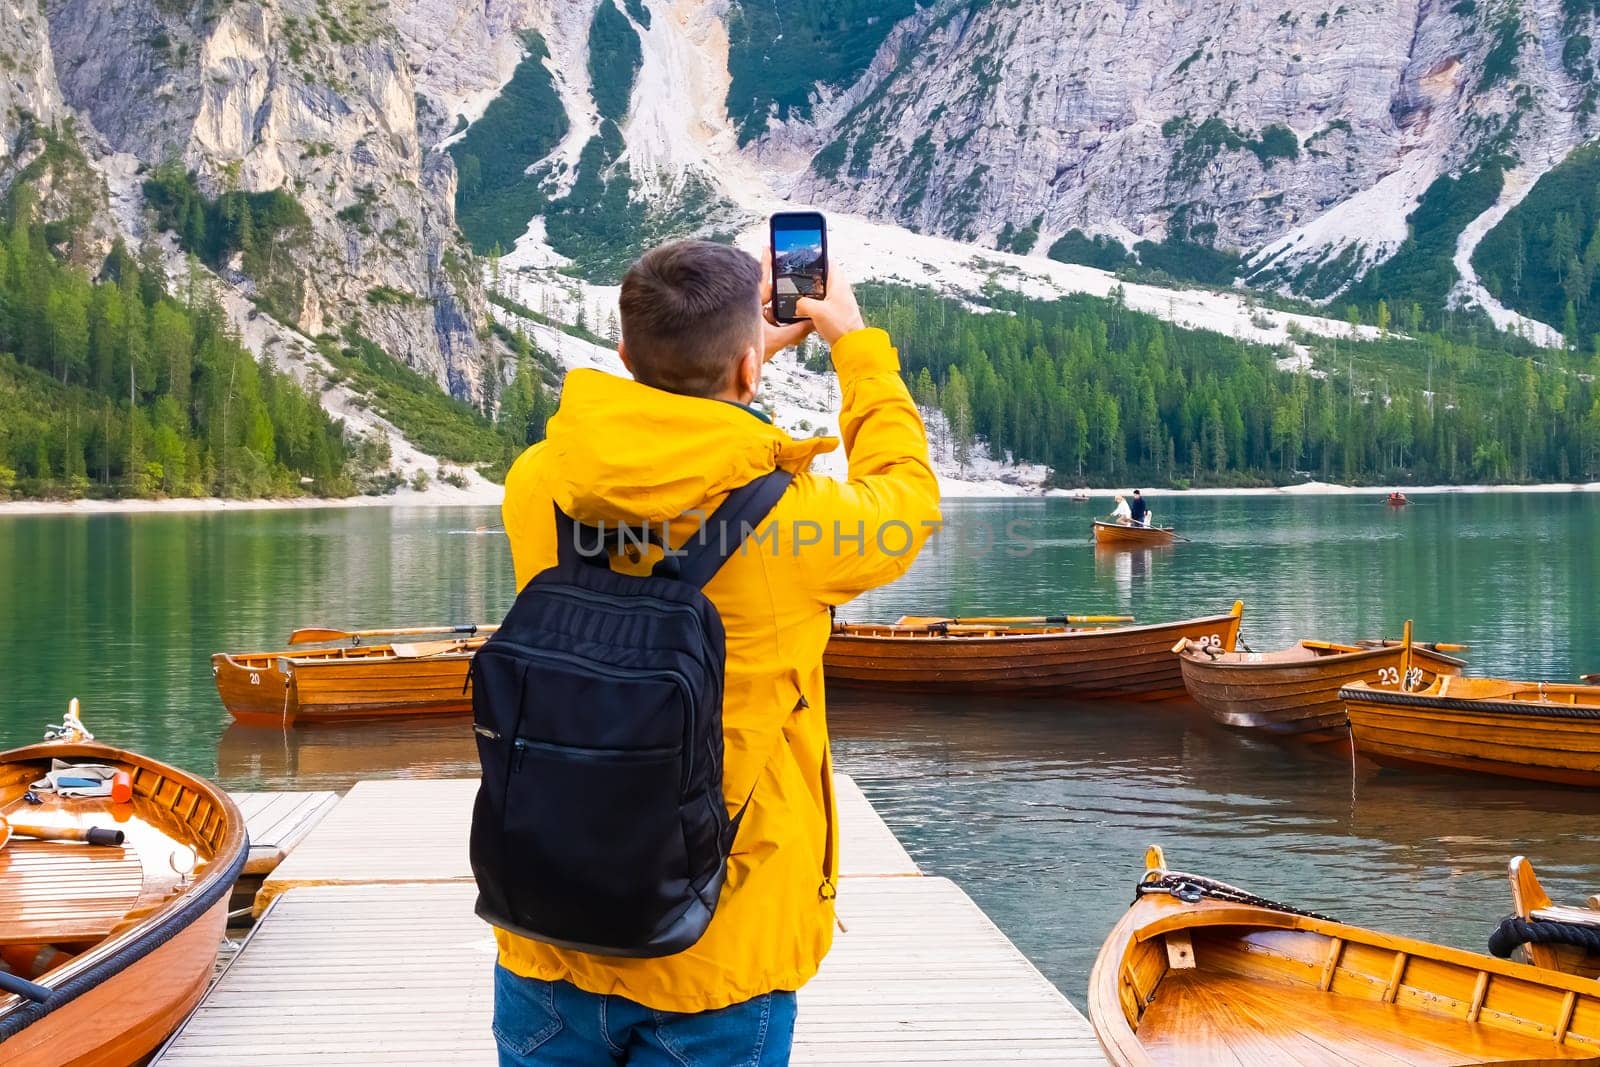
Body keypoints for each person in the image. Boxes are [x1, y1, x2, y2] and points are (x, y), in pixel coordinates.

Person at [495, 239, 941, 1064]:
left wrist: (725, 356)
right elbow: (908, 497)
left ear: (625, 354)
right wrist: (854, 347)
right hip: (719, 948)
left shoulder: (536, 485)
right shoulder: (798, 522)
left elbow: (646, 444)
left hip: (548, 925)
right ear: (745, 369)